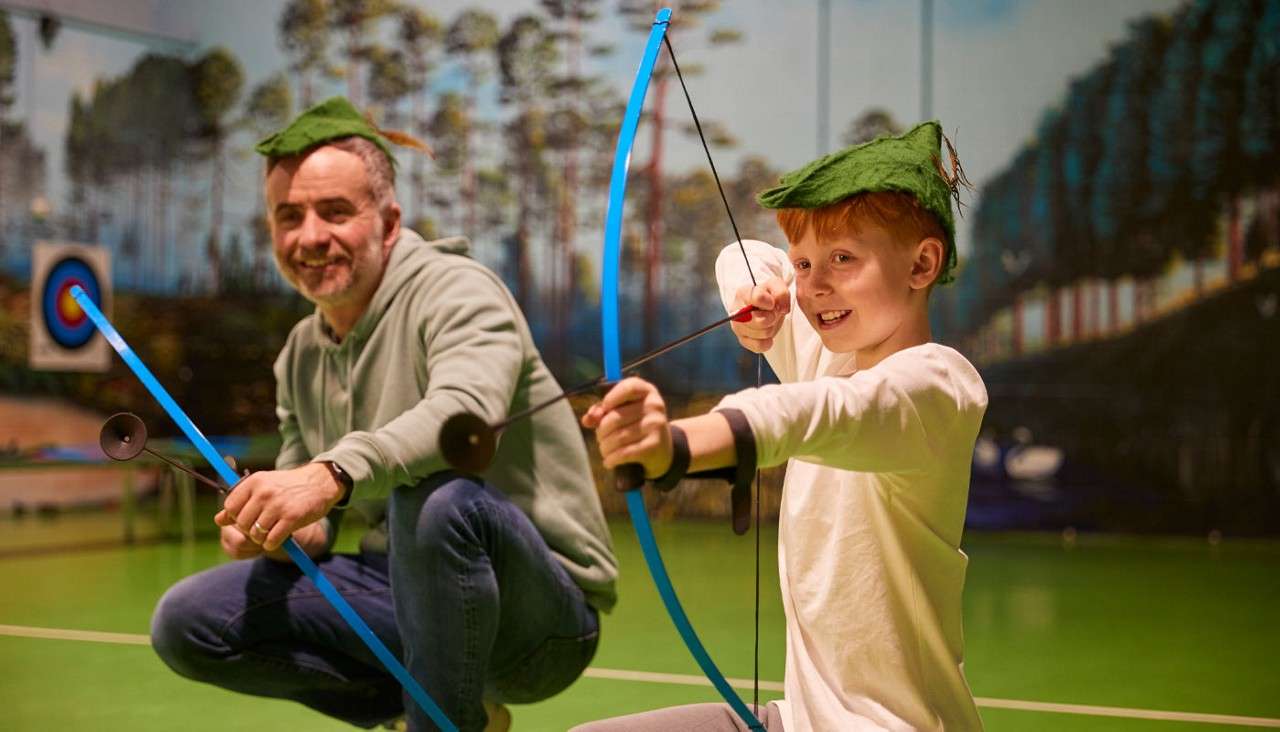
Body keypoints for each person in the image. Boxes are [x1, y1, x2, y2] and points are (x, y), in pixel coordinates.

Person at [149, 97, 617, 732]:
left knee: (438, 498)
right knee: (188, 622)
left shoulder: (458, 290)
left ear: (390, 222)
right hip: (405, 595)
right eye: (289, 216)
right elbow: (315, 519)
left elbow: (463, 418)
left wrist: (329, 474)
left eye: (335, 212)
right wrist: (283, 526)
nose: (310, 236)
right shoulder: (300, 354)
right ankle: (440, 710)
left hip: (539, 624)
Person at [574, 122, 988, 731]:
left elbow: (809, 414)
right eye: (803, 264)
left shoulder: (937, 386)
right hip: (798, 721)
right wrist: (758, 293)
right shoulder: (827, 355)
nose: (814, 287)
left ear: (922, 263)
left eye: (843, 259)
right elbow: (739, 256)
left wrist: (676, 446)